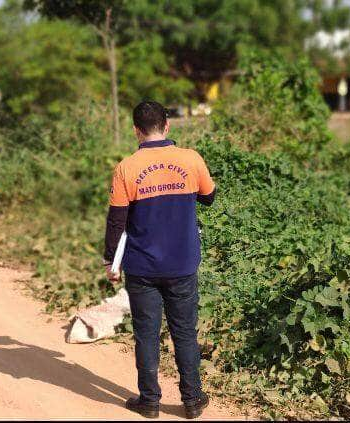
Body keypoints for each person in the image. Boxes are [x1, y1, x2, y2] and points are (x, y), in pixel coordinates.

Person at [103, 101, 216, 419]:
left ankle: (149, 400)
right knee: (184, 332)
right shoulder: (191, 159)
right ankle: (193, 400)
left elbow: (117, 220)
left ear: (136, 130)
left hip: (142, 267)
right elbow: (209, 197)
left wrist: (112, 261)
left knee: (146, 333)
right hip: (182, 263)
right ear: (167, 126)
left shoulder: (127, 167)